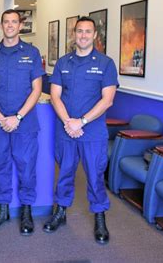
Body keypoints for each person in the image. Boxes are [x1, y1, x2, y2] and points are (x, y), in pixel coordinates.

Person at [43, 16, 118, 245]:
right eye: (79, 31)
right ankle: (61, 212)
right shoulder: (63, 63)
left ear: (95, 35)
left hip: (92, 133)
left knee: (95, 176)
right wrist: (69, 122)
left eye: (88, 31)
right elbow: (55, 95)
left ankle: (99, 217)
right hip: (66, 129)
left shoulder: (106, 63)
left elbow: (107, 100)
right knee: (64, 172)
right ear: (74, 34)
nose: (83, 35)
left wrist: (81, 122)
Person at [0, 9, 44, 236]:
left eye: (13, 22)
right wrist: (0, 118)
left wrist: (17, 117)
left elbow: (37, 89)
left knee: (26, 167)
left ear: (20, 25)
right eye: (5, 22)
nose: (9, 25)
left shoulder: (32, 53)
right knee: (0, 167)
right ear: (1, 26)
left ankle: (26, 210)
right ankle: (3, 209)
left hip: (24, 124)